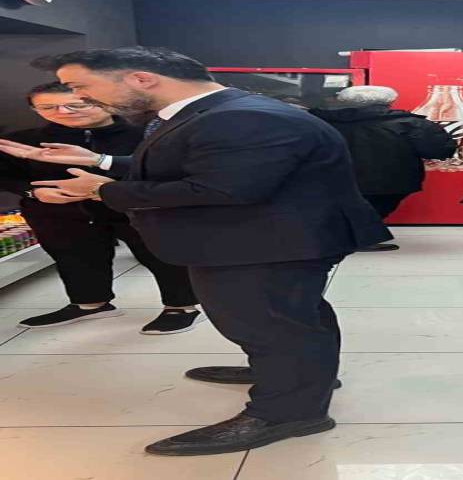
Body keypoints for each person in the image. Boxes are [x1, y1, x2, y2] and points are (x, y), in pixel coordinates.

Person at [25, 46, 391, 456]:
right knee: (288, 317)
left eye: (80, 86)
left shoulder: (242, 117)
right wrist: (102, 161)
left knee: (272, 324)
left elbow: (224, 188)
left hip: (263, 244)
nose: (81, 98)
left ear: (141, 78)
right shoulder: (217, 111)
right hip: (256, 238)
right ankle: (299, 375)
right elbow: (200, 166)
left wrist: (102, 191)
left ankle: (289, 412)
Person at [0, 82, 200, 334]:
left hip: (137, 209)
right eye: (48, 107)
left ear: (105, 102)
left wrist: (111, 187)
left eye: (76, 105)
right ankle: (89, 304)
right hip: (58, 213)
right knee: (74, 257)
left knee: (162, 256)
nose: (63, 112)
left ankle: (181, 306)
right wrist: (33, 191)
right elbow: (6, 176)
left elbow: (173, 171)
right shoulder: (23, 140)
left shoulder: (150, 134)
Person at [310, 85, 456, 251]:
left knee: (343, 209)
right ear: (390, 101)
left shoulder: (320, 122)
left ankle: (343, 237)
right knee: (376, 208)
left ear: (344, 100)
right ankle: (359, 239)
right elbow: (439, 149)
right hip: (392, 180)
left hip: (333, 178)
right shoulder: (411, 123)